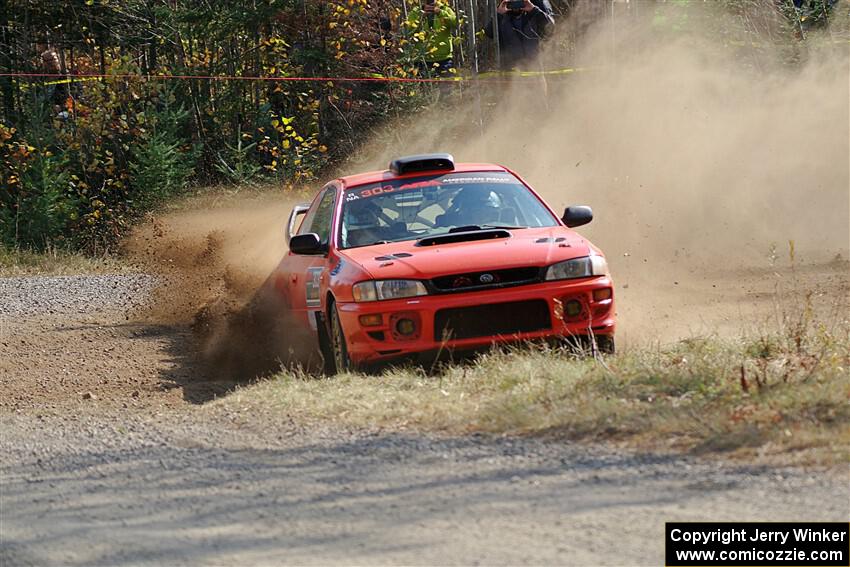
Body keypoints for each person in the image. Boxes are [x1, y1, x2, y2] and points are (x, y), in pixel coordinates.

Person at [485, 0, 554, 71]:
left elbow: (550, 28)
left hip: (535, 68)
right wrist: (498, 15)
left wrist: (534, 10)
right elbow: (489, 33)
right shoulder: (502, 13)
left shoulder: (537, 5)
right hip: (509, 70)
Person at [405, 0, 458, 77]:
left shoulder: (445, 9)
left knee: (447, 87)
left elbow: (456, 24)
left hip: (444, 59)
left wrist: (440, 12)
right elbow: (407, 32)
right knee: (423, 87)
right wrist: (421, 17)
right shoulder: (416, 12)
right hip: (421, 59)